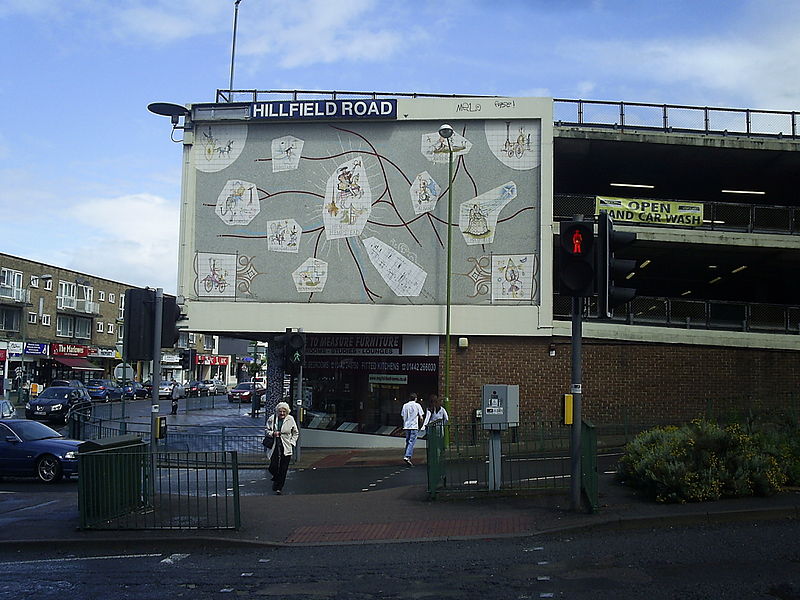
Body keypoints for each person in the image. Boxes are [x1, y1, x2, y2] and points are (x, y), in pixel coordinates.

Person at [265, 401, 299, 494]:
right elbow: (267, 430)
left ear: (287, 411)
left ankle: (279, 487)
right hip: (275, 445)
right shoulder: (272, 418)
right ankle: (276, 477)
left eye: (284, 411)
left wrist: (292, 442)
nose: (282, 413)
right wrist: (273, 433)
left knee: (283, 468)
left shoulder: (290, 419)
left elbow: (295, 432)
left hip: (286, 446)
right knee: (273, 466)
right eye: (280, 411)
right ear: (277, 411)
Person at [400, 392, 425, 466]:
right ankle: (407, 456)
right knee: (411, 441)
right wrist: (422, 424)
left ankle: (407, 456)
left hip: (406, 426)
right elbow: (421, 417)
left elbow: (402, 415)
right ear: (415, 398)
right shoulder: (417, 405)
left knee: (408, 441)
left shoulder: (405, 405)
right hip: (414, 426)